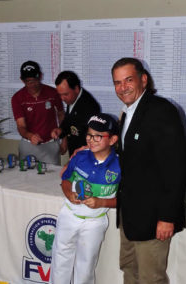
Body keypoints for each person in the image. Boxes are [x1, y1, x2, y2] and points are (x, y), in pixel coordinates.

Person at [111, 57, 186, 284]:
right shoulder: (128, 113)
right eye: (117, 82)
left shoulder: (161, 111)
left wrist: (167, 217)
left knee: (150, 279)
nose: (122, 87)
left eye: (128, 80)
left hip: (153, 217)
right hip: (130, 215)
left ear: (143, 80)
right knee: (129, 270)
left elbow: (177, 167)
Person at [50, 113, 121, 284]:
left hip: (94, 222)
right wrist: (69, 193)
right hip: (69, 216)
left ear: (112, 140)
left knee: (86, 266)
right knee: (60, 259)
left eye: (98, 136)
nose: (91, 140)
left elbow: (125, 199)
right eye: (89, 135)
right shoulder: (80, 156)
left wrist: (101, 202)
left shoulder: (120, 165)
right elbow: (66, 179)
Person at [11, 61, 64, 165]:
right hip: (28, 145)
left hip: (50, 145)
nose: (32, 84)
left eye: (35, 80)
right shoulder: (17, 98)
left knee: (51, 179)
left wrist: (65, 140)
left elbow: (61, 115)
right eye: (28, 81)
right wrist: (30, 136)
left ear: (40, 76)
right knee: (26, 178)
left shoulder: (53, 93)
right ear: (22, 80)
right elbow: (21, 126)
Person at [51, 71, 100, 156]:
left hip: (85, 155)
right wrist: (61, 130)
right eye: (60, 95)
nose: (62, 98)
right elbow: (69, 120)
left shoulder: (90, 106)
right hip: (75, 153)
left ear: (76, 89)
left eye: (65, 94)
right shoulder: (73, 98)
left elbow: (92, 138)